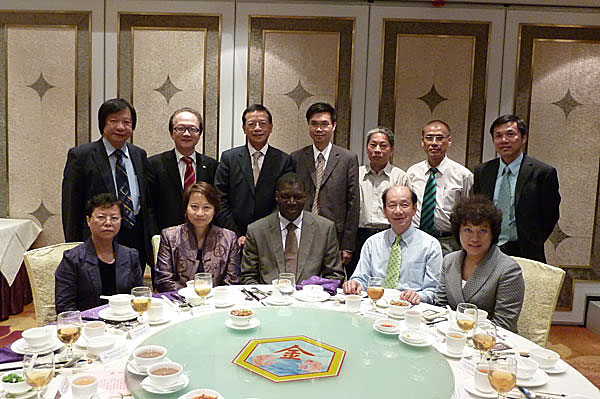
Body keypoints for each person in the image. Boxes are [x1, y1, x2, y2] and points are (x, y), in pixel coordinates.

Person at [61, 98, 154, 273]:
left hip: (135, 239)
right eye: (114, 121)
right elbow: (71, 206)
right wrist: (74, 246)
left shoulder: (139, 154)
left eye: (126, 122)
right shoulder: (81, 156)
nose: (121, 127)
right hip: (98, 239)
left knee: (132, 291)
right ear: (102, 124)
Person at [473, 115, 560, 262]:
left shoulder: (542, 172)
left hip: (526, 250)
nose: (504, 140)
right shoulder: (483, 171)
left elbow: (550, 215)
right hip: (489, 249)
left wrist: (534, 240)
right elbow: (478, 210)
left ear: (523, 137)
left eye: (510, 134)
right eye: (498, 136)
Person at [434, 195, 525, 332]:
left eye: (483, 231)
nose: (475, 238)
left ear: (493, 233)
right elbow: (440, 306)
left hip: (488, 342)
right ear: (457, 232)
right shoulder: (449, 260)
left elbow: (504, 324)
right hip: (450, 335)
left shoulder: (508, 270)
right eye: (468, 230)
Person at [343, 185, 442, 304]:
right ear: (384, 211)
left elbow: (433, 291)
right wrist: (354, 284)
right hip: (374, 305)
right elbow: (360, 278)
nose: (398, 211)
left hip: (410, 309)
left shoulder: (430, 245)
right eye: (392, 205)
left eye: (404, 205)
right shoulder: (372, 243)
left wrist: (418, 296)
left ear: (414, 209)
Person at [291, 102, 359, 272]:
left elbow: (353, 203)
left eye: (324, 124)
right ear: (308, 126)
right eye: (314, 124)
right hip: (301, 230)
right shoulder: (296, 157)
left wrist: (348, 245)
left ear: (333, 126)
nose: (319, 129)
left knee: (330, 283)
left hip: (334, 234)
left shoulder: (347, 158)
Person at [240, 173, 344, 285]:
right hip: (269, 299)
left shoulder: (325, 229)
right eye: (285, 197)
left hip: (311, 299)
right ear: (277, 196)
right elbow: (248, 276)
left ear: (305, 197)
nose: (291, 202)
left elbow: (335, 275)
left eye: (298, 197)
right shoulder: (257, 231)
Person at [214, 104, 293, 247]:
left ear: (271, 127)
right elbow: (220, 198)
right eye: (251, 124)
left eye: (263, 124)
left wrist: (265, 232)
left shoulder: (284, 160)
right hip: (233, 238)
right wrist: (235, 234)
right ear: (244, 128)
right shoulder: (229, 158)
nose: (257, 128)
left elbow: (283, 200)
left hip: (271, 236)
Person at [55, 193, 143, 313]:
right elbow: (64, 307)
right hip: (89, 325)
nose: (108, 223)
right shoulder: (72, 259)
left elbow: (139, 296)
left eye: (114, 218)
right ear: (88, 220)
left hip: (125, 320)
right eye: (101, 217)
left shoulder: (131, 255)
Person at [154, 182, 240, 292]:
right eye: (194, 207)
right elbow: (163, 281)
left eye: (206, 207)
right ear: (186, 208)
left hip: (216, 303)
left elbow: (232, 281)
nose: (199, 213)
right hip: (179, 302)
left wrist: (210, 298)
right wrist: (192, 296)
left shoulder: (229, 238)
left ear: (214, 210)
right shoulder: (169, 236)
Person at [406, 120, 473, 254]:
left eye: (440, 138)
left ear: (449, 141)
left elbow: (468, 213)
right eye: (429, 138)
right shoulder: (412, 173)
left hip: (448, 241)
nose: (434, 143)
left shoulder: (463, 175)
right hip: (416, 238)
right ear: (422, 142)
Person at [349, 126, 408, 277]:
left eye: (383, 145)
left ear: (391, 149)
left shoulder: (400, 176)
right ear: (367, 148)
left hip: (389, 235)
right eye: (372, 145)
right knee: (357, 280)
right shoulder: (355, 173)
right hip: (359, 236)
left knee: (386, 277)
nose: (377, 150)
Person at [148, 107, 218, 231]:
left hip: (204, 236)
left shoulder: (212, 166)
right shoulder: (154, 164)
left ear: (199, 133)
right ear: (171, 132)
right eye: (180, 128)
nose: (186, 134)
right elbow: (149, 207)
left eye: (192, 129)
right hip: (166, 237)